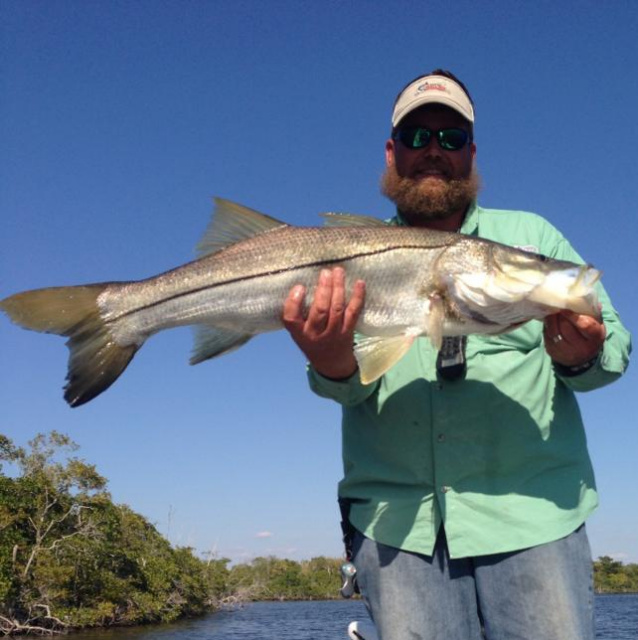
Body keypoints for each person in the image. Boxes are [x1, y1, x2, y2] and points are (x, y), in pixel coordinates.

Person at [282, 70, 632, 640]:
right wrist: (328, 358)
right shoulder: (349, 249)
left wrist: (581, 357)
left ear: (472, 151)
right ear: (392, 152)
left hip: (534, 518)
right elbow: (345, 383)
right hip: (398, 530)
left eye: (451, 138)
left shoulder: (531, 235)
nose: (434, 152)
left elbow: (613, 352)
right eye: (418, 137)